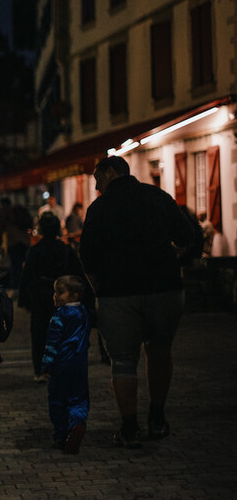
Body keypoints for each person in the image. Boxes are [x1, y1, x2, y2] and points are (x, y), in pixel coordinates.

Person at [80, 156, 195, 448]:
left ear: (110, 172)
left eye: (97, 180)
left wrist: (99, 290)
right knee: (159, 350)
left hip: (118, 293)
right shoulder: (157, 196)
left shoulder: (99, 208)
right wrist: (175, 259)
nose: (96, 187)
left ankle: (129, 428)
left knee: (123, 360)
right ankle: (157, 418)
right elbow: (187, 236)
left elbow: (88, 258)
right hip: (164, 288)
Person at [18, 212, 93, 382]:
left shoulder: (35, 251)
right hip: (63, 296)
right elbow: (79, 274)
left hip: (41, 297)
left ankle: (40, 370)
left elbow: (27, 276)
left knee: (39, 335)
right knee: (64, 334)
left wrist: (25, 299)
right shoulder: (65, 250)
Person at [41, 275, 91, 454]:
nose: (55, 296)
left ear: (74, 296)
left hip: (61, 366)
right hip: (79, 365)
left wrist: (46, 365)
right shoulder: (84, 313)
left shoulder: (59, 316)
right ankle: (77, 423)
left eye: (60, 293)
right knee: (78, 397)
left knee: (57, 400)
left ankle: (61, 435)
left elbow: (52, 343)